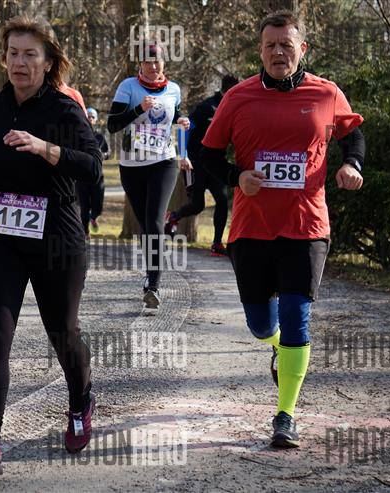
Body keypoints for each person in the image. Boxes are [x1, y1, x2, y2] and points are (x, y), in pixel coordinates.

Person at [202, 10, 365, 448]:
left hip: (306, 224)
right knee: (260, 324)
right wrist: (237, 177)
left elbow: (353, 134)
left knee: (297, 314)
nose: (278, 52)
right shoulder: (238, 97)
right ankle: (274, 344)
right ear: (260, 50)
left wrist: (352, 163)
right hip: (251, 228)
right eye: (270, 45)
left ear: (302, 49)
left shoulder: (326, 93)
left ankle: (285, 415)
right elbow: (208, 155)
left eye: (286, 45)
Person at [0, 15, 102, 475]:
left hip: (56, 236)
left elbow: (92, 167)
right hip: (2, 233)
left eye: (30, 55)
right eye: (13, 54)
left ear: (48, 62)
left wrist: (45, 148)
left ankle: (80, 401)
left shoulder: (63, 109)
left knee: (63, 332)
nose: (19, 63)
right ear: (3, 59)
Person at [107, 43, 191, 309]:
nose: (153, 67)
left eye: (157, 62)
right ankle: (149, 274)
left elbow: (172, 115)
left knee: (154, 221)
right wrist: (138, 109)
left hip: (164, 162)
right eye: (147, 62)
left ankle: (153, 285)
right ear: (140, 65)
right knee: (145, 225)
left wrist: (181, 121)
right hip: (132, 165)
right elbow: (112, 124)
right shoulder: (128, 87)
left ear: (164, 63)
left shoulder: (174, 89)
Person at [164, 74, 239, 256]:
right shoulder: (206, 107)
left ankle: (216, 243)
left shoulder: (235, 108)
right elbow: (184, 128)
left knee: (222, 201)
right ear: (227, 91)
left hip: (215, 164)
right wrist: (184, 156)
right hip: (195, 164)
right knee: (197, 205)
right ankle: (173, 217)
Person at [76, 107, 109, 238]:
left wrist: (103, 155)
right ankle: (85, 231)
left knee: (98, 205)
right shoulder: (78, 134)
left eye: (92, 117)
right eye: (88, 116)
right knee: (84, 206)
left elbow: (108, 153)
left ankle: (94, 217)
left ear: (95, 120)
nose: (90, 119)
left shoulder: (100, 137)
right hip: (82, 176)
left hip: (97, 176)